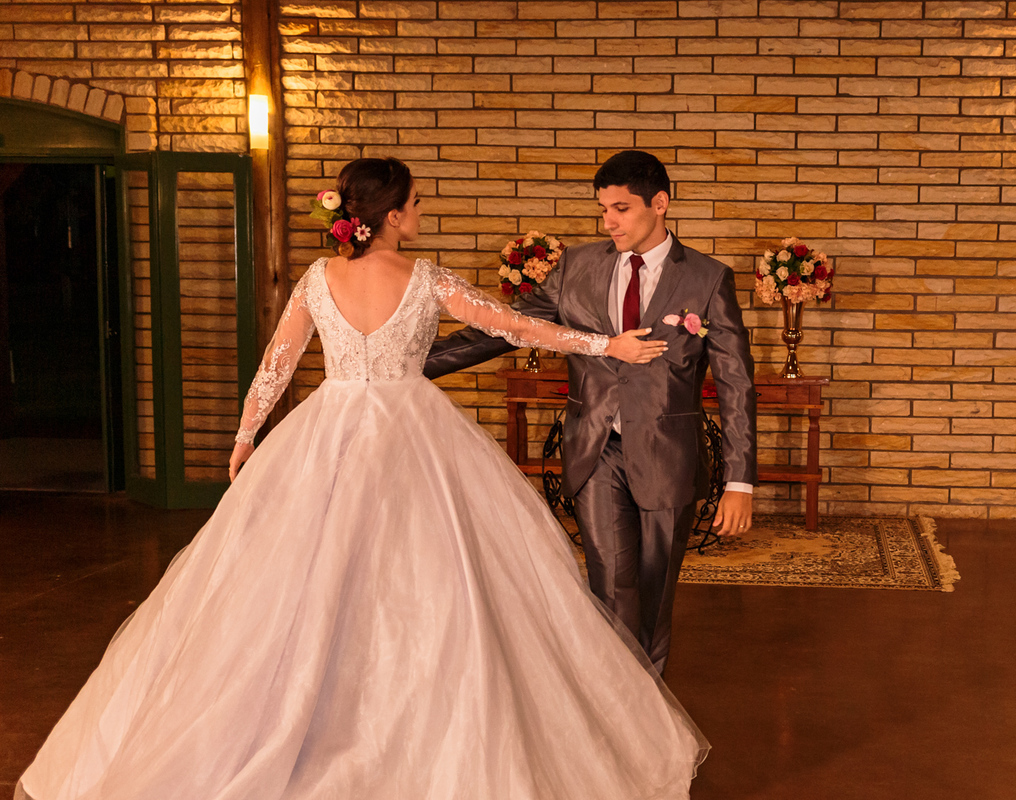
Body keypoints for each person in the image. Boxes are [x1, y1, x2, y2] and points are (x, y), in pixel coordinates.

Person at [15, 157, 707, 800]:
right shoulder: (426, 278)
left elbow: (277, 362)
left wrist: (246, 435)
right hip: (417, 435)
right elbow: (514, 327)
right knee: (437, 579)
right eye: (416, 204)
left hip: (328, 432)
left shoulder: (319, 277)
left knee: (309, 579)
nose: (421, 212)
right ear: (394, 215)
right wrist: (605, 344)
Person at [425, 150, 757, 675]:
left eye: (621, 209)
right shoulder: (576, 267)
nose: (608, 222)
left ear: (660, 203)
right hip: (594, 450)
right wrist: (415, 363)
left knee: (654, 594)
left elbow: (736, 383)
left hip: (668, 458)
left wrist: (740, 482)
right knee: (610, 584)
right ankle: (617, 701)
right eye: (604, 209)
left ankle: (649, 708)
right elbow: (507, 328)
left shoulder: (708, 278)